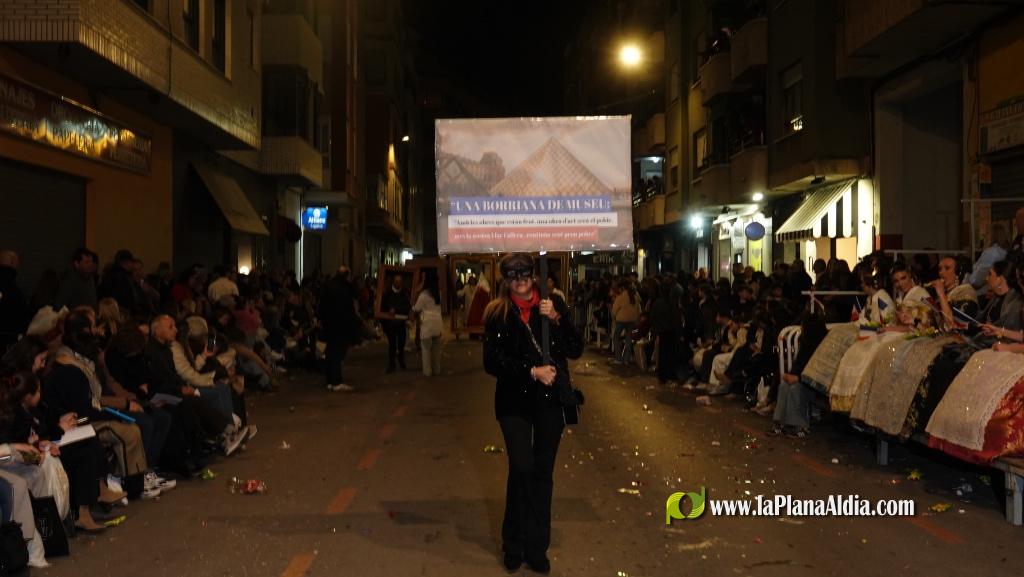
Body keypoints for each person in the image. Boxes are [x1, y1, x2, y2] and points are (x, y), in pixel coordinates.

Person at [483, 253, 582, 573]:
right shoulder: (497, 313)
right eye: (513, 276)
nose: (520, 280)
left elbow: (575, 348)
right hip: (514, 402)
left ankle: (537, 548)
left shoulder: (553, 306)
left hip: (550, 401)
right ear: (505, 280)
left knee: (542, 473)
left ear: (535, 276)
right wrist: (531, 371)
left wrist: (557, 319)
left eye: (524, 274)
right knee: (521, 467)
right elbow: (492, 362)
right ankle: (513, 542)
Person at [319, 266, 361, 392]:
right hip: (341, 326)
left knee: (330, 353)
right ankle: (337, 381)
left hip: (330, 325)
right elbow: (352, 302)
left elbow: (322, 305)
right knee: (337, 354)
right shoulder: (344, 288)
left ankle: (330, 381)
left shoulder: (328, 285)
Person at [412, 271, 444, 377]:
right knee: (436, 350)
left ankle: (427, 372)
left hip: (427, 325)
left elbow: (416, 308)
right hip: (438, 323)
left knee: (426, 350)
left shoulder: (423, 295)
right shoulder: (438, 293)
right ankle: (437, 370)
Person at [380, 274, 411, 373]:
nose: (398, 283)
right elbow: (383, 307)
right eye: (396, 281)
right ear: (393, 282)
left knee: (401, 344)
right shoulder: (387, 294)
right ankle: (391, 364)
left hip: (401, 323)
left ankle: (401, 361)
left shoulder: (404, 294)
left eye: (400, 281)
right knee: (392, 345)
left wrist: (396, 309)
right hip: (390, 324)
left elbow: (407, 307)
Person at [0, 250, 30, 353]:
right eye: (18, 262)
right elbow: (20, 312)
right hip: (7, 338)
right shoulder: (12, 288)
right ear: (12, 262)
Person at [971, 223, 1009, 291]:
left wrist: (970, 281)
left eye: (987, 233)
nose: (985, 236)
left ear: (992, 236)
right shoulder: (1005, 251)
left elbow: (979, 278)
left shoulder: (991, 252)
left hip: (984, 291)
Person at [611, 280, 639, 366]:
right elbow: (638, 308)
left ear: (622, 288)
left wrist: (614, 318)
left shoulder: (620, 297)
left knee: (616, 337)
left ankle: (619, 358)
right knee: (628, 339)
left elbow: (614, 310)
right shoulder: (635, 295)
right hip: (632, 320)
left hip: (621, 320)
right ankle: (627, 358)